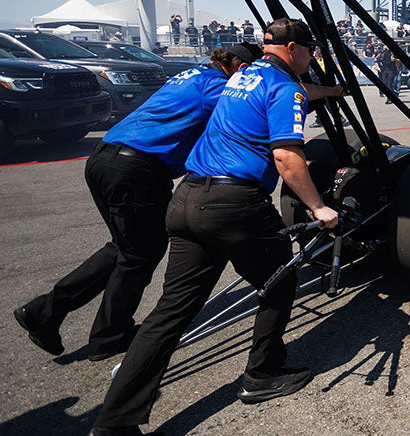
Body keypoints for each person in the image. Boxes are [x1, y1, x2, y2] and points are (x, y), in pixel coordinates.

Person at [90, 19, 346, 434]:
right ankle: (262, 375)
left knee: (170, 312)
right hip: (235, 203)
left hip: (187, 198)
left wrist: (331, 92)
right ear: (295, 49)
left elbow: (292, 95)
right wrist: (318, 207)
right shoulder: (286, 87)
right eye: (311, 51)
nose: (312, 58)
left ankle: (114, 421)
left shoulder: (243, 75)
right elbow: (286, 157)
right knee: (279, 281)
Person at [14, 43, 263, 364]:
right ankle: (108, 335)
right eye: (252, 72)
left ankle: (45, 312)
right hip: (136, 169)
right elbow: (256, 106)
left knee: (124, 248)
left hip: (107, 158)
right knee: (139, 254)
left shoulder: (192, 76)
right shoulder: (216, 86)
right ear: (240, 67)